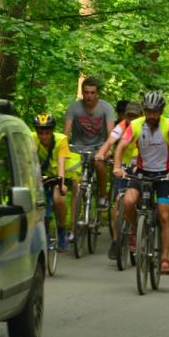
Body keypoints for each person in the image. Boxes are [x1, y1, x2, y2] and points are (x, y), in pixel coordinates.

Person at [113, 91, 169, 275]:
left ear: (161, 111)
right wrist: (117, 166)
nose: (151, 115)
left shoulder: (168, 125)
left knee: (164, 215)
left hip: (164, 175)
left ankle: (165, 258)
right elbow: (121, 146)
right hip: (142, 173)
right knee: (127, 202)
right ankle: (138, 229)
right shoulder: (136, 124)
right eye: (148, 111)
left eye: (155, 112)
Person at [96, 102, 142, 259]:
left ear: (141, 116)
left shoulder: (145, 126)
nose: (131, 119)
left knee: (139, 199)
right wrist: (100, 154)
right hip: (123, 165)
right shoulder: (122, 126)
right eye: (129, 116)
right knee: (118, 201)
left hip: (141, 165)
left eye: (135, 116)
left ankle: (139, 228)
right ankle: (116, 240)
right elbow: (110, 141)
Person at [64, 76, 116, 209]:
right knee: (76, 185)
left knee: (99, 164)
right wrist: (64, 148)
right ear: (82, 93)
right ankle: (76, 220)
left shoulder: (106, 108)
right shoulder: (73, 108)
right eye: (86, 92)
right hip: (78, 149)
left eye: (92, 93)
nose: (89, 96)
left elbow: (111, 133)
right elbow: (65, 134)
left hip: (99, 148)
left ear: (97, 93)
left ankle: (103, 196)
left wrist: (109, 149)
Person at [33, 114, 81, 251]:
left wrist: (61, 184)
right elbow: (29, 161)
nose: (43, 136)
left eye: (47, 133)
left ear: (52, 131)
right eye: (40, 133)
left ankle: (62, 229)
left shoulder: (61, 140)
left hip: (61, 173)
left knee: (58, 198)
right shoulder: (31, 139)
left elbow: (61, 163)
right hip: (43, 173)